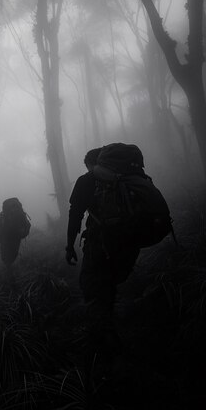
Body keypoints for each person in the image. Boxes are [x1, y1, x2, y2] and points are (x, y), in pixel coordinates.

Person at [65, 146, 141, 361]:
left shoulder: (86, 180)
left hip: (100, 245)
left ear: (92, 164)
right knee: (109, 283)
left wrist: (70, 246)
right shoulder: (127, 178)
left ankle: (105, 346)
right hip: (128, 243)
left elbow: (75, 216)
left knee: (91, 286)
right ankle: (110, 324)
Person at [0, 197, 31, 271]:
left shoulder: (3, 218)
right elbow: (26, 227)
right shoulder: (18, 215)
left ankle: (9, 270)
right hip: (16, 235)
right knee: (13, 254)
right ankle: (13, 269)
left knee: (7, 258)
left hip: (8, 237)